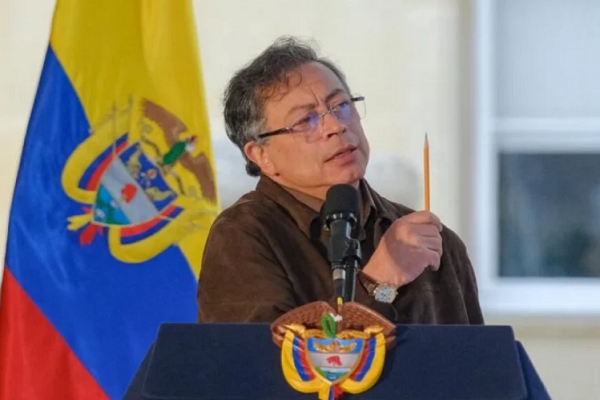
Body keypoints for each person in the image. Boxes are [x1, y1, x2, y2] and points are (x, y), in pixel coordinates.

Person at [197, 36, 484, 324]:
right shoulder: (242, 235)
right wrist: (378, 283)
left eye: (341, 106)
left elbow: (475, 351)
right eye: (305, 120)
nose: (335, 126)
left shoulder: (431, 239)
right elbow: (268, 351)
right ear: (261, 155)